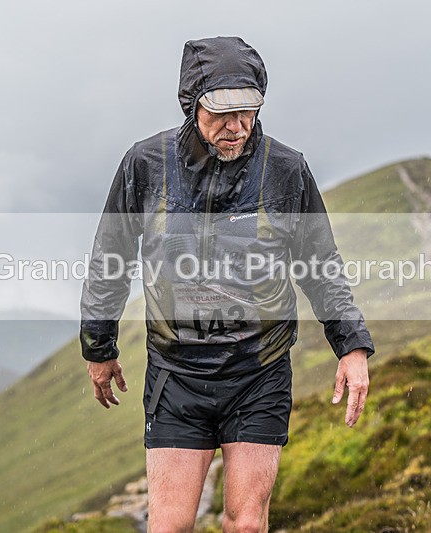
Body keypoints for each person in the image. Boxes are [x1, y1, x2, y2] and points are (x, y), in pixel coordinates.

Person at [80, 36, 374, 533]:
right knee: (169, 525)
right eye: (221, 112)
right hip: (177, 375)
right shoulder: (145, 165)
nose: (236, 126)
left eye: (249, 111)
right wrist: (98, 346)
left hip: (258, 372)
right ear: (192, 103)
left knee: (244, 523)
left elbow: (321, 265)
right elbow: (111, 257)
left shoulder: (286, 170)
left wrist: (352, 347)